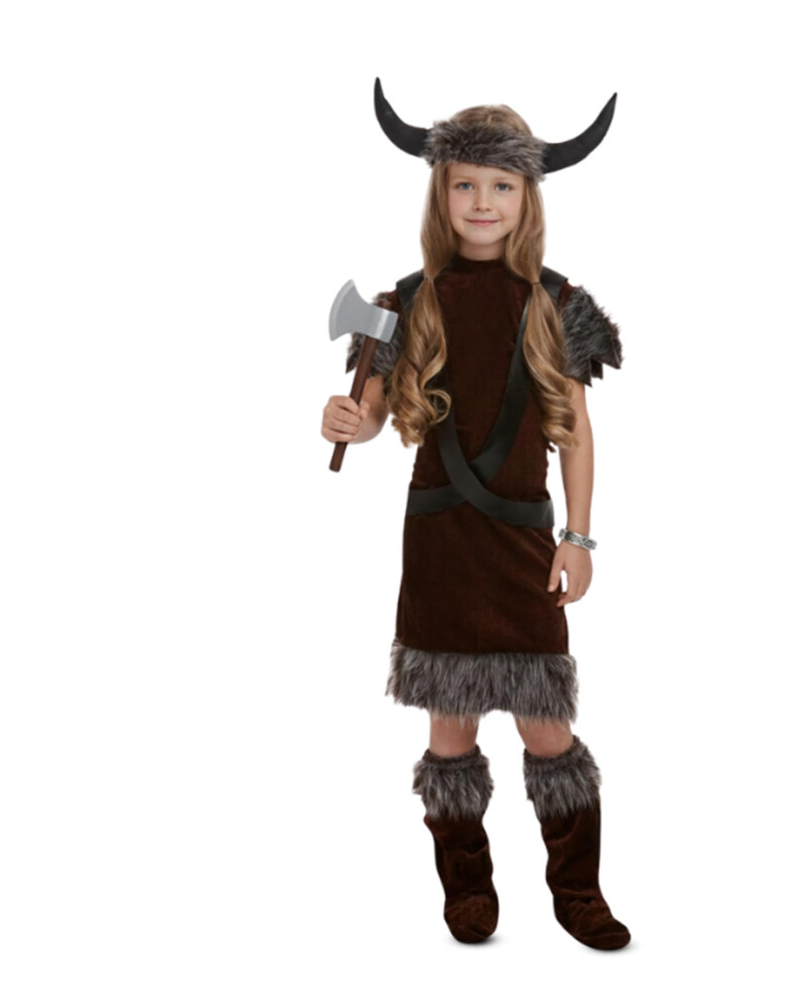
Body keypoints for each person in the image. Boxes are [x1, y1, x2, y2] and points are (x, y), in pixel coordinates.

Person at [321, 80, 629, 950]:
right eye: (465, 184)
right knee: (448, 727)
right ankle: (467, 891)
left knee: (547, 725)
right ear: (441, 192)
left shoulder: (557, 303)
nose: (482, 201)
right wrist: (350, 420)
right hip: (441, 540)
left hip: (522, 540)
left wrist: (578, 537)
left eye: (501, 185)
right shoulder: (406, 302)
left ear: (527, 197)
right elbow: (374, 414)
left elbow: (575, 433)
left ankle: (578, 892)